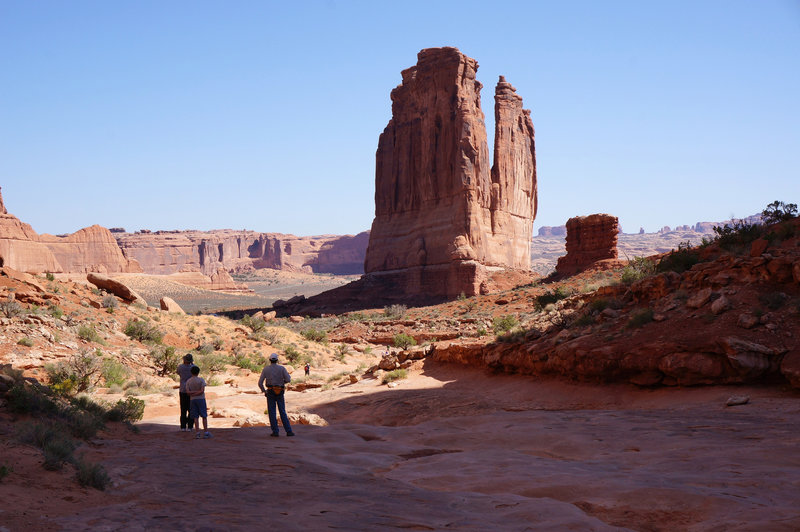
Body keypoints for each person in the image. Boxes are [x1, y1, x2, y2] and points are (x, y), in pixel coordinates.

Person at [258, 353, 294, 437]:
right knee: (282, 411)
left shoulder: (266, 369)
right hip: (280, 391)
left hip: (270, 392)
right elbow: (288, 379)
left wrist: (264, 391)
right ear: (277, 360)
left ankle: (275, 432)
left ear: (270, 360)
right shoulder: (282, 368)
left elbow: (260, 383)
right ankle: (289, 431)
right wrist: (281, 382)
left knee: (272, 412)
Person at [186, 365, 211, 439]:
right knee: (204, 416)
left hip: (192, 400)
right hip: (201, 399)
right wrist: (198, 392)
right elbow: (202, 391)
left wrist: (193, 393)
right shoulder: (201, 380)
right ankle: (206, 432)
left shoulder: (188, 381)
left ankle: (197, 433)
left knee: (195, 417)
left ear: (191, 372)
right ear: (198, 372)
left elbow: (188, 392)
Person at [176, 354, 195, 432]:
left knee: (183, 409)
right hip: (191, 390)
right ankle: (190, 426)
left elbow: (178, 373)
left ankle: (183, 427)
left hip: (183, 390)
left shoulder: (180, 367)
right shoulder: (193, 367)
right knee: (191, 409)